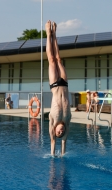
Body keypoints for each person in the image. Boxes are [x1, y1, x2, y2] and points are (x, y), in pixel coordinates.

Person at [45, 20, 71, 156]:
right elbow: (64, 141)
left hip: (55, 84)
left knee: (51, 59)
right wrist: (63, 154)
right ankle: (55, 34)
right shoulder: (67, 121)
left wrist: (54, 154)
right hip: (65, 83)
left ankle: (48, 34)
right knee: (59, 59)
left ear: (54, 130)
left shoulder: (53, 121)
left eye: (58, 133)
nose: (60, 132)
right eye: (62, 133)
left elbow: (53, 142)